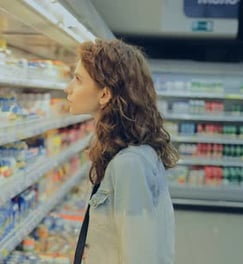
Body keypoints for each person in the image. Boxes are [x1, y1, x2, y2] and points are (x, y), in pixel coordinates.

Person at [65, 39, 178, 264]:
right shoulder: (118, 149)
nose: (68, 87)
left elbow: (139, 256)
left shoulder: (129, 164)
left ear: (104, 95)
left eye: (78, 79)